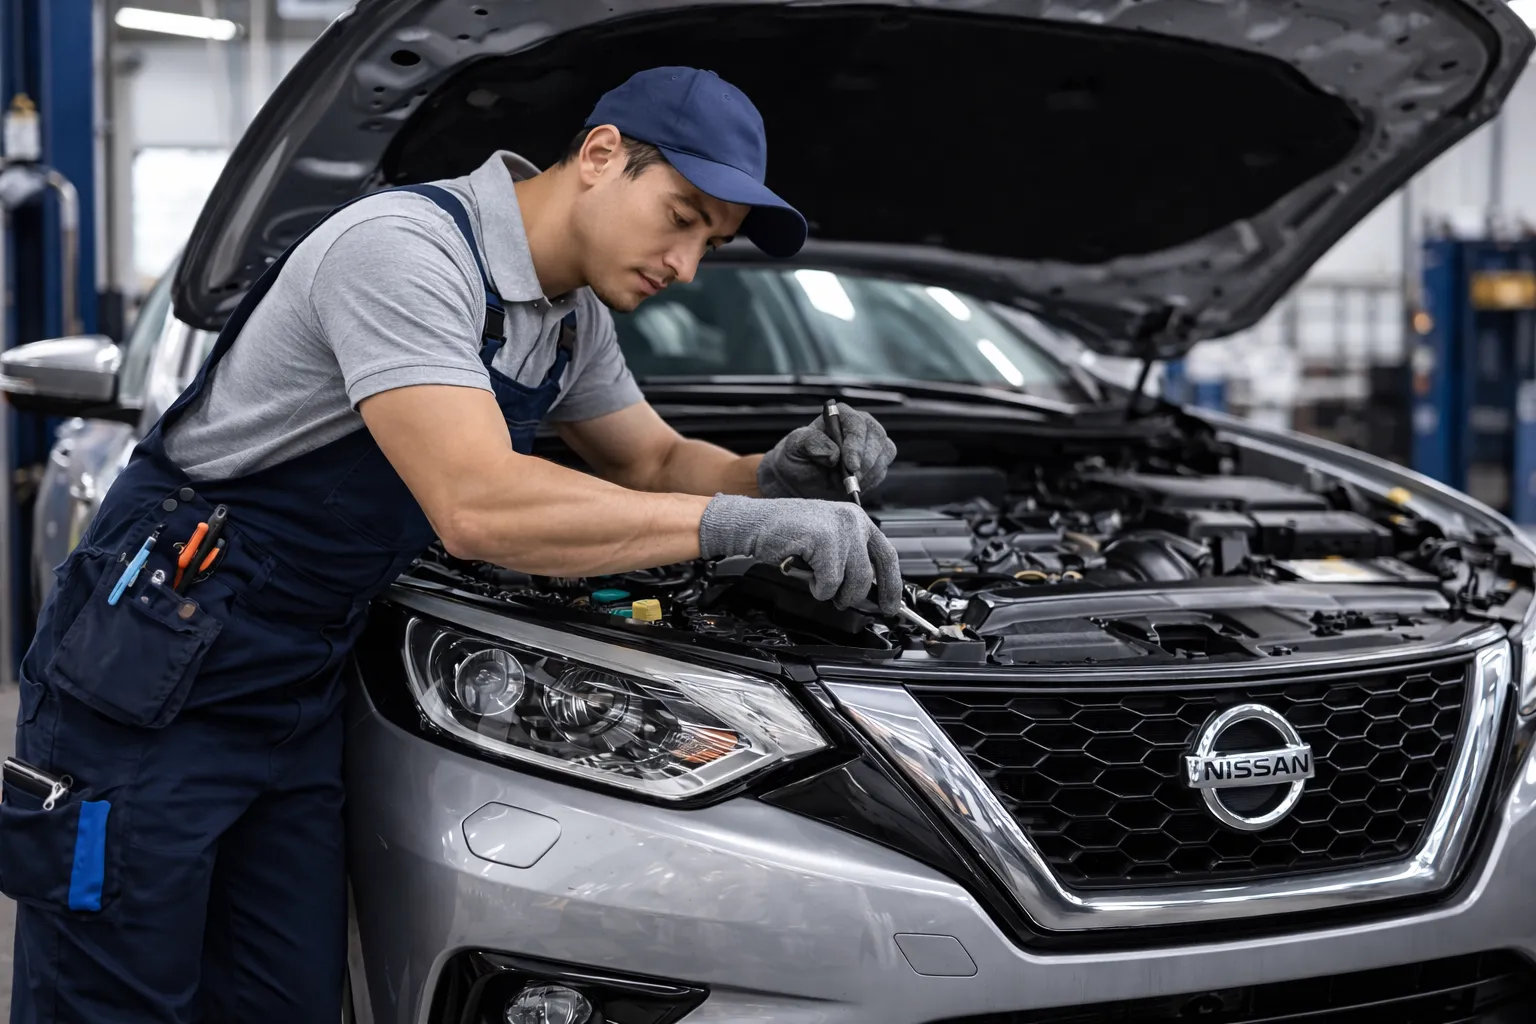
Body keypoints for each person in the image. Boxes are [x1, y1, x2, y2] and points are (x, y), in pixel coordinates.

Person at [1, 66, 901, 1023]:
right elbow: (477, 504)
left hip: (295, 687)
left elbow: (657, 458)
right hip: (154, 668)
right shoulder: (405, 250)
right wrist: (745, 527)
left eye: (709, 243)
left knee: (280, 999)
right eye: (680, 215)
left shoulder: (568, 323)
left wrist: (774, 477)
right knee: (110, 999)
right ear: (600, 156)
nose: (685, 263)